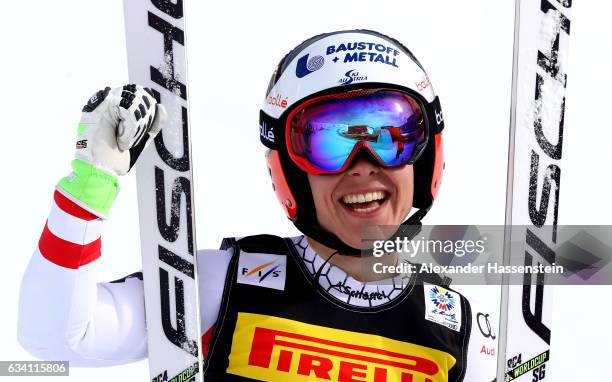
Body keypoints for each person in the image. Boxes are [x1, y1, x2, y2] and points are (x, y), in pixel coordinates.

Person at [18, 30, 496, 381]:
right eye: (328, 141)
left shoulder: (465, 333)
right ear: (289, 172)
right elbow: (54, 336)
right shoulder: (221, 286)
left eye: (391, 137)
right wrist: (89, 189)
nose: (362, 165)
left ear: (426, 158)